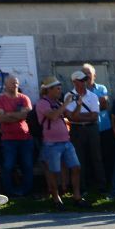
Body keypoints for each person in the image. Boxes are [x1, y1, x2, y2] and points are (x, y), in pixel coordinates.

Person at [35, 78, 83, 209]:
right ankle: (56, 199)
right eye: (57, 89)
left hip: (66, 141)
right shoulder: (42, 103)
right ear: (49, 90)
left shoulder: (58, 103)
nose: (60, 91)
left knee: (76, 167)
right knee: (54, 172)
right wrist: (65, 103)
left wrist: (78, 105)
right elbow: (53, 116)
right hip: (51, 144)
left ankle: (77, 197)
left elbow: (73, 116)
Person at [0, 74, 35, 201]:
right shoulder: (0, 100)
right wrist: (18, 115)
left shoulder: (24, 98)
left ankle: (26, 191)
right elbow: (0, 118)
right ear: (5, 85)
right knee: (8, 166)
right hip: (8, 139)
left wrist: (9, 114)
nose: (15, 85)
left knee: (27, 165)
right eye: (12, 83)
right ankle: (9, 192)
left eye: (16, 82)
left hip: (25, 138)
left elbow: (26, 115)